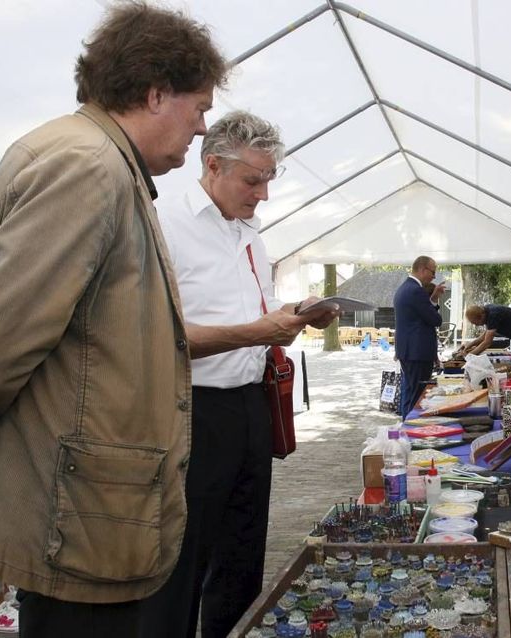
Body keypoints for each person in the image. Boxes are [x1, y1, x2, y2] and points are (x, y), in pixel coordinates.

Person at [0, 4, 227, 636]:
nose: (202, 128)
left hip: (88, 511)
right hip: (78, 516)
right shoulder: (86, 166)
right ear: (154, 94)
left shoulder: (93, 158)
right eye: (198, 107)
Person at [141, 111, 338, 638]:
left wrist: (296, 311)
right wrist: (258, 330)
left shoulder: (248, 226)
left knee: (244, 549)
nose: (263, 195)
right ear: (212, 166)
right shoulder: (165, 225)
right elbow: (159, 334)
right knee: (184, 559)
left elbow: (259, 306)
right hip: (192, 410)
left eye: (269, 181)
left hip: (251, 403)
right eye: (253, 180)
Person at [394, 256, 446, 417]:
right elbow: (435, 319)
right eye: (433, 271)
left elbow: (419, 315)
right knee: (416, 396)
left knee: (409, 392)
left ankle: (405, 426)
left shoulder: (405, 288)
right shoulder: (416, 291)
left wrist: (433, 298)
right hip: (417, 352)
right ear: (423, 269)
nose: (434, 276)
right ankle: (409, 429)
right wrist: (434, 302)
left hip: (409, 350)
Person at [460, 304, 511, 372]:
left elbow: (487, 342)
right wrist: (469, 346)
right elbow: (484, 336)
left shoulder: (493, 315)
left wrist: (469, 356)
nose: (476, 325)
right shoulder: (487, 311)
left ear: (481, 316)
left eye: (475, 323)